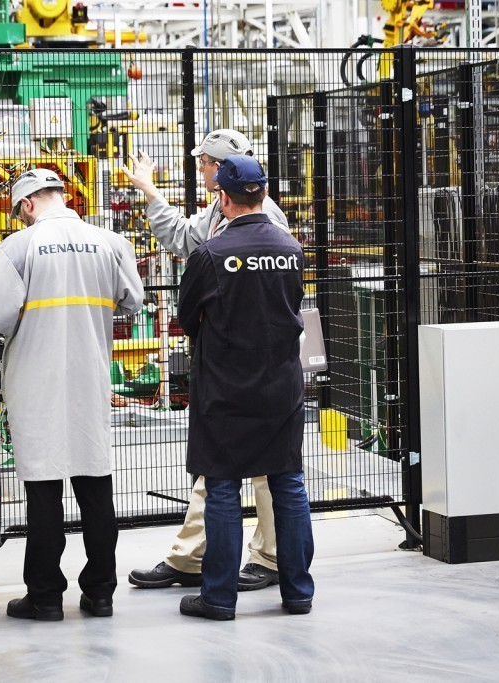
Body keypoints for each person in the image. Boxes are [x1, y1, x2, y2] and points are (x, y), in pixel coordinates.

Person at [0, 168, 144, 622]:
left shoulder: (18, 247)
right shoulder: (111, 243)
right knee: (95, 484)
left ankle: (45, 596)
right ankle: (101, 593)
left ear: (28, 203)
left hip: (36, 382)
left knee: (44, 490)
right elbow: (132, 300)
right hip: (90, 379)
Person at [121, 129, 285, 592]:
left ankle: (271, 559)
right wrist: (149, 191)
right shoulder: (219, 210)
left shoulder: (267, 219)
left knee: (267, 469)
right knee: (217, 463)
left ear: (225, 166)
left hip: (257, 360)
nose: (201, 169)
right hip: (226, 360)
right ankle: (192, 558)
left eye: (206, 163)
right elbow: (183, 236)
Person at [176, 155, 314, 620]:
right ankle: (298, 592)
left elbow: (187, 317)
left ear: (223, 198)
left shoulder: (210, 254)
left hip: (225, 390)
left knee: (222, 488)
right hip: (281, 386)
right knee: (287, 483)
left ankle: (218, 598)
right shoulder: (291, 248)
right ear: (264, 192)